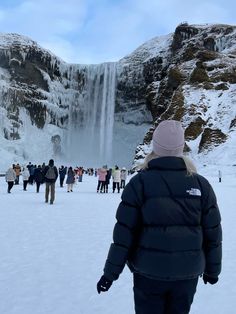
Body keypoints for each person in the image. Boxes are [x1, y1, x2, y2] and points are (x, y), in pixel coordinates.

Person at [97, 120, 222, 314]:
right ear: (181, 147)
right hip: (187, 273)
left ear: (155, 147)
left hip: (148, 272)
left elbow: (123, 235)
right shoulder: (201, 185)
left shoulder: (139, 183)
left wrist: (110, 274)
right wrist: (213, 270)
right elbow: (213, 234)